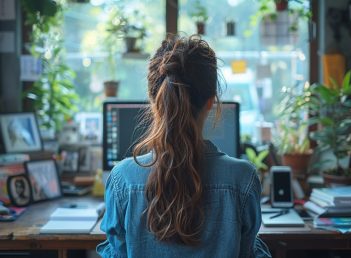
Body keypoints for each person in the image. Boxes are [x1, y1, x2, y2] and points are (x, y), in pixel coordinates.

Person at [97, 35, 271, 258]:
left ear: (154, 100)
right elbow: (246, 252)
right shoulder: (243, 179)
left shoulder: (123, 179)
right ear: (211, 101)